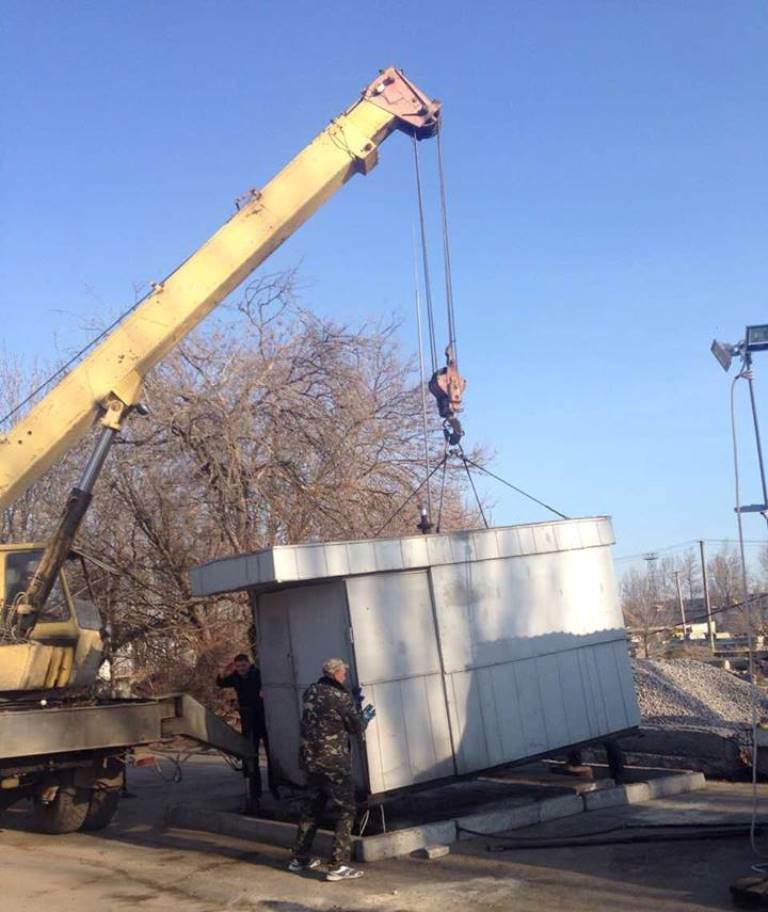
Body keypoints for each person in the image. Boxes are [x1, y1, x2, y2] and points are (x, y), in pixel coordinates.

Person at [289, 657, 375, 882]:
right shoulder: (340, 696)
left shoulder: (310, 691)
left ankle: (299, 858)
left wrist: (349, 704)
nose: (345, 676)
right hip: (333, 762)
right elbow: (356, 726)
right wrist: (362, 715)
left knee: (311, 809)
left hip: (311, 760)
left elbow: (327, 716)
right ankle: (337, 866)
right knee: (345, 810)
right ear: (335, 673)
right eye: (343, 673)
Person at [216, 653, 277, 802]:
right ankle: (254, 791)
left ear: (249, 664)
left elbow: (271, 687)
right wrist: (223, 670)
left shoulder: (258, 675)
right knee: (250, 754)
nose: (241, 669)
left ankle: (275, 787)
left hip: (263, 716)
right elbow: (221, 683)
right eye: (238, 666)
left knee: (271, 754)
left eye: (243, 665)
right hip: (247, 718)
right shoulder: (235, 677)